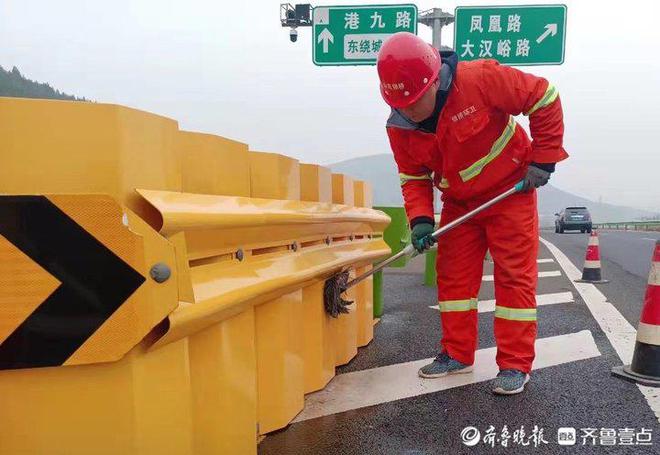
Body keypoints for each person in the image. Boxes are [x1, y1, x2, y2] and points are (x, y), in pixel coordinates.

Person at [377, 32, 568, 395]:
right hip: (459, 203)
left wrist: (544, 157)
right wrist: (420, 220)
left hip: (510, 191)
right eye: (401, 105)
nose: (410, 111)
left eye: (416, 101)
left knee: (513, 277)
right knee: (453, 279)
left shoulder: (479, 79)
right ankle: (456, 354)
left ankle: (514, 364)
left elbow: (544, 96)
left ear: (435, 80)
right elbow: (413, 176)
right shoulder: (399, 125)